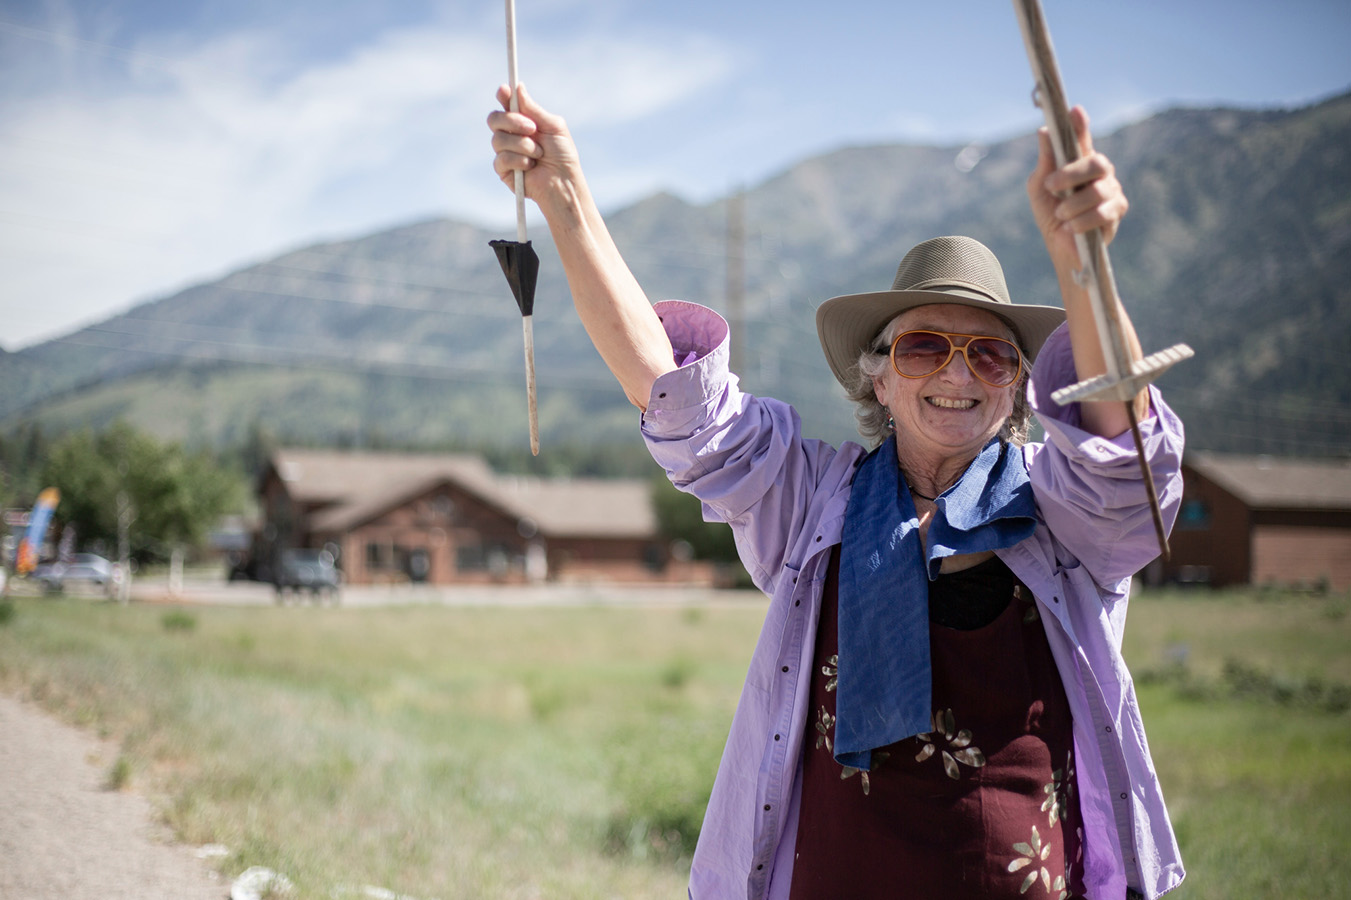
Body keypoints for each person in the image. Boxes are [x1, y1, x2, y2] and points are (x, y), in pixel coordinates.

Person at [489, 84, 1185, 900]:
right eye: (923, 348)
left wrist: (1083, 261)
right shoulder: (813, 499)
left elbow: (1121, 458)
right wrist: (564, 194)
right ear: (878, 379)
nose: (958, 373)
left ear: (1017, 390)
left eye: (989, 354)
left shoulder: (1060, 512)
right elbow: (673, 395)